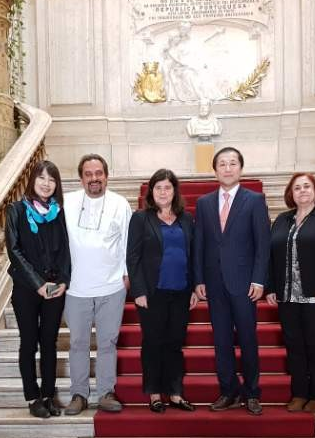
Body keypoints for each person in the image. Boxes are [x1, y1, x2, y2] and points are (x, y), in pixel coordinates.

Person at [193, 147, 270, 415]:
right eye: (222, 164)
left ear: (241, 168)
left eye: (233, 163)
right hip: (214, 284)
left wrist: (259, 280)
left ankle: (252, 392)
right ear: (215, 170)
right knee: (221, 341)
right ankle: (228, 391)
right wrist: (198, 279)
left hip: (245, 284)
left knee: (248, 338)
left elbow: (263, 244)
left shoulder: (255, 200)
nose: (228, 168)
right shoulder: (204, 203)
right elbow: (199, 244)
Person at [266, 173, 315, 413]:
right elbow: (270, 256)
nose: (302, 191)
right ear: (291, 194)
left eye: (306, 186)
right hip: (287, 294)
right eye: (297, 187)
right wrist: (271, 287)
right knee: (294, 345)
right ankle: (299, 393)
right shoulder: (282, 219)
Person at [62, 154, 132, 415]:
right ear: (81, 178)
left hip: (111, 287)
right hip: (75, 288)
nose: (94, 178)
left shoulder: (120, 203)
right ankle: (79, 394)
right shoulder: (67, 202)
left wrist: (127, 274)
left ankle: (105, 392)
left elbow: (128, 241)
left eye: (99, 173)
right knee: (78, 343)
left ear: (106, 176)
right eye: (89, 174)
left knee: (107, 343)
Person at [126, 169, 199, 413]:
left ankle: (176, 393)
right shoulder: (140, 218)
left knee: (175, 343)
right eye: (158, 188)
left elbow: (193, 255)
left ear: (175, 191)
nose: (163, 192)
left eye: (168, 187)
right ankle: (155, 393)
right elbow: (133, 257)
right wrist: (138, 291)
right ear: (151, 191)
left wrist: (193, 287)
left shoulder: (186, 219)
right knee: (153, 343)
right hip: (151, 292)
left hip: (181, 291)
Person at [5, 159, 71, 419]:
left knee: (49, 342)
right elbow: (14, 251)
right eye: (42, 178)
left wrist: (63, 280)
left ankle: (48, 395)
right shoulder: (16, 210)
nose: (46, 183)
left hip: (54, 288)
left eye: (52, 179)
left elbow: (66, 249)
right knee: (29, 342)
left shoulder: (58, 212)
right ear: (32, 180)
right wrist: (38, 284)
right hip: (27, 288)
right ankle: (33, 398)